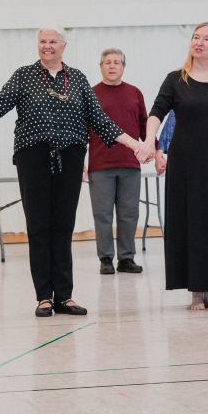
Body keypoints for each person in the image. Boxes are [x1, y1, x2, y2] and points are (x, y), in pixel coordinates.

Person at [0, 28, 144, 317]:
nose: (47, 46)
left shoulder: (76, 78)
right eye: (42, 42)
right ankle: (44, 297)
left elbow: (100, 120)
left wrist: (133, 144)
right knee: (39, 226)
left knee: (63, 226)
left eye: (53, 42)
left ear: (64, 46)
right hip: (33, 156)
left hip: (71, 155)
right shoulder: (25, 75)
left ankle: (65, 295)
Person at [136, 22, 208, 310]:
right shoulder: (176, 79)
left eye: (206, 39)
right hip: (186, 163)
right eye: (195, 37)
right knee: (192, 222)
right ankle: (196, 289)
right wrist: (150, 140)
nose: (198, 42)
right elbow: (156, 113)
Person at [85, 49, 147, 275]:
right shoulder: (90, 93)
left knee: (129, 213)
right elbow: (81, 131)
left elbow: (144, 125)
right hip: (100, 165)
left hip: (130, 164)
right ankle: (106, 259)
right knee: (102, 214)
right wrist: (79, 161)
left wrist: (156, 150)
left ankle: (127, 258)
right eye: (107, 62)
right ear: (100, 66)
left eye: (117, 62)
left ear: (123, 66)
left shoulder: (134, 93)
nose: (112, 66)